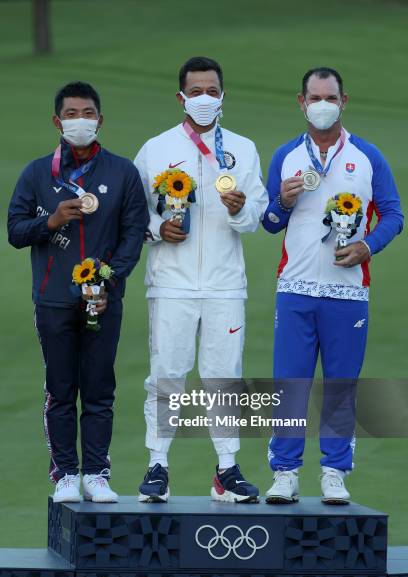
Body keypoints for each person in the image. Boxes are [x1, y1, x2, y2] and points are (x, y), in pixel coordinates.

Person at [262, 67, 403, 505]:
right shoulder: (286, 156)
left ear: (344, 102)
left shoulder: (367, 156)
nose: (322, 105)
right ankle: (285, 472)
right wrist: (282, 203)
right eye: (314, 98)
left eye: (330, 97)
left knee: (340, 385)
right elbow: (269, 223)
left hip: (347, 293)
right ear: (301, 103)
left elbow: (394, 215)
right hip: (296, 288)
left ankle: (334, 472)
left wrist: (367, 246)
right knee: (291, 383)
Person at [134, 56, 268, 503]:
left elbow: (256, 217)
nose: (205, 98)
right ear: (181, 97)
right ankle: (158, 465)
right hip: (171, 282)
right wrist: (157, 230)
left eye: (212, 90)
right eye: (196, 91)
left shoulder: (244, 150)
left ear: (223, 95)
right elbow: (135, 215)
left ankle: (226, 470)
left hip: (225, 283)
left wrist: (239, 209)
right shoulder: (156, 149)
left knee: (223, 375)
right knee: (168, 373)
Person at [8, 81, 149, 503]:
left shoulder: (122, 172)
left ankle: (98, 474)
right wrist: (49, 223)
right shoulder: (37, 173)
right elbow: (15, 230)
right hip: (52, 300)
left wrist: (110, 282)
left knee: (100, 388)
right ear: (57, 121)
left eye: (87, 113)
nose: (80, 121)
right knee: (61, 388)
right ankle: (66, 473)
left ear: (100, 120)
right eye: (71, 114)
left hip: (103, 301)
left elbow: (132, 235)